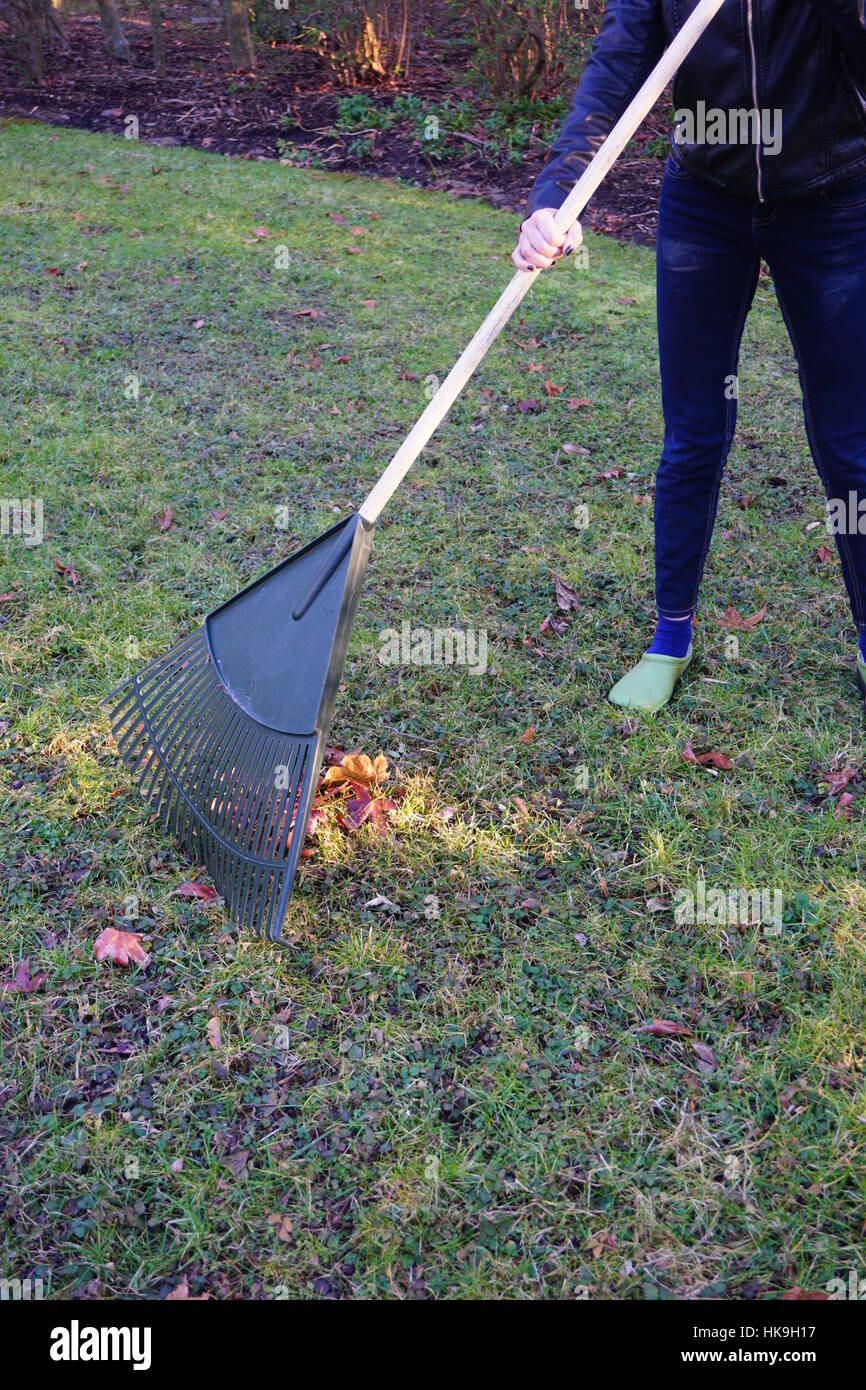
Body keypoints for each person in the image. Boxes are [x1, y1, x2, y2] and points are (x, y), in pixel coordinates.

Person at [513, 0, 866, 712]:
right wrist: (557, 196)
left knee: (849, 440)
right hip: (707, 199)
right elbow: (615, 68)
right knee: (694, 435)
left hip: (835, 198)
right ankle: (670, 638)